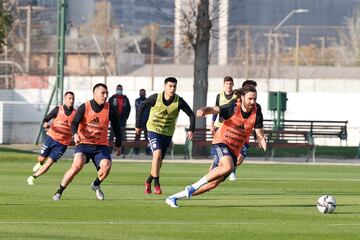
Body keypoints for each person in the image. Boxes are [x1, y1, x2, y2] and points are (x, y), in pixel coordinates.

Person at [165, 85, 266, 208]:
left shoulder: (257, 110)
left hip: (234, 150)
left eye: (255, 99)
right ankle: (192, 187)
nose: (253, 101)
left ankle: (174, 197)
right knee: (228, 167)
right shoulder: (233, 107)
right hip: (221, 142)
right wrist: (204, 110)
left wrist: (261, 139)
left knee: (212, 184)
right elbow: (214, 109)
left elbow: (259, 131)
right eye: (250, 98)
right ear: (242, 97)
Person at [52, 83, 122, 201]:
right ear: (94, 94)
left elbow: (116, 128)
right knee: (77, 165)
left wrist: (118, 145)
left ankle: (96, 184)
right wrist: (75, 135)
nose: (105, 96)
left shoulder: (110, 109)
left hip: (100, 146)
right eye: (102, 93)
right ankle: (59, 191)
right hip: (84, 144)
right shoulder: (85, 107)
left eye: (106, 93)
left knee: (106, 166)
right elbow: (74, 123)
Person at [136, 77, 195, 195]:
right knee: (156, 154)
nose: (172, 89)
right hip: (153, 130)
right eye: (170, 86)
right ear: (165, 87)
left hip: (167, 133)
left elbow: (191, 114)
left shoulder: (179, 101)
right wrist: (138, 125)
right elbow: (142, 106)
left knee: (159, 161)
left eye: (174, 86)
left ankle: (148, 181)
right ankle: (156, 185)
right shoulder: (155, 98)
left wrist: (191, 130)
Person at [26, 91, 76, 185]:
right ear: (65, 99)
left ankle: (32, 177)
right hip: (51, 138)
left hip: (62, 144)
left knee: (49, 163)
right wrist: (45, 123)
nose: (71, 100)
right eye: (69, 98)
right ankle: (40, 163)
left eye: (73, 99)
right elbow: (46, 118)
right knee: (41, 159)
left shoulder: (76, 113)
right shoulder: (58, 109)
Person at [210, 76, 237, 181]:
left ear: (233, 84)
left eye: (230, 84)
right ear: (224, 85)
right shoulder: (219, 96)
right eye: (226, 84)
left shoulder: (236, 96)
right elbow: (215, 111)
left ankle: (232, 171)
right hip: (219, 126)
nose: (228, 86)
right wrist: (212, 124)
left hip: (231, 128)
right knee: (218, 149)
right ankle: (214, 171)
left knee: (231, 150)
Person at [108, 84, 131, 155]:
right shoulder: (112, 98)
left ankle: (122, 151)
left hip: (122, 120)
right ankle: (110, 151)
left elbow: (128, 109)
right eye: (118, 89)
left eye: (120, 89)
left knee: (122, 136)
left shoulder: (125, 99)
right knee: (112, 135)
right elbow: (108, 108)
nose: (119, 90)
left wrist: (125, 117)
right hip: (114, 120)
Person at [134, 89, 150, 155]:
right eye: (141, 93)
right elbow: (140, 107)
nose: (142, 94)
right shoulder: (137, 101)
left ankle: (148, 151)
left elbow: (148, 109)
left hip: (147, 122)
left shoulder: (148, 100)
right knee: (137, 137)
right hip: (139, 122)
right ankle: (136, 151)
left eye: (143, 93)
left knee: (147, 137)